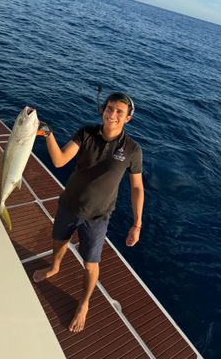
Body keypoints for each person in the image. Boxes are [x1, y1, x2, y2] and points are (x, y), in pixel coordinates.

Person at [34, 92, 144, 333]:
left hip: (97, 217)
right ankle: (54, 267)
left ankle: (84, 304)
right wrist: (48, 134)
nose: (112, 114)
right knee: (59, 241)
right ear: (103, 110)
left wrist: (137, 224)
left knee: (90, 263)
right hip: (68, 205)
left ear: (128, 119)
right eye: (109, 108)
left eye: (119, 112)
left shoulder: (133, 150)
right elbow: (60, 160)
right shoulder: (86, 134)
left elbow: (137, 187)